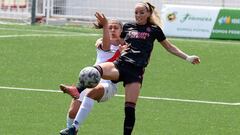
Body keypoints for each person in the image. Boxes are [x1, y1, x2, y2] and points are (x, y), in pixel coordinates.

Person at [61, 1, 200, 135]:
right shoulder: (128, 26)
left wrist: (188, 57)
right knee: (92, 71)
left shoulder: (154, 30)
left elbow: (169, 47)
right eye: (136, 12)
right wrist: (102, 33)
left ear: (148, 13)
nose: (138, 15)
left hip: (135, 72)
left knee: (129, 109)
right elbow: (115, 39)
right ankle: (76, 94)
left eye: (141, 12)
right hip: (120, 65)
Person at [59, 13, 125, 135]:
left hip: (108, 85)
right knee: (72, 112)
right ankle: (70, 130)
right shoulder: (101, 42)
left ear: (122, 30)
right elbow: (106, 47)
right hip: (91, 80)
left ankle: (75, 127)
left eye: (116, 27)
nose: (112, 30)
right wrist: (105, 25)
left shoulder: (126, 47)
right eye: (110, 27)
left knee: (91, 92)